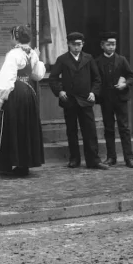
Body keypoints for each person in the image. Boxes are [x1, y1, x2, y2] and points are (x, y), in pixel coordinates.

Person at [47, 32, 108, 170]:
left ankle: (93, 160)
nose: (76, 47)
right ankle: (74, 159)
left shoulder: (88, 58)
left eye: (79, 44)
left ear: (83, 45)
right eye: (73, 44)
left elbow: (97, 79)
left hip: (86, 100)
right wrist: (60, 91)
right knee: (71, 130)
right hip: (69, 100)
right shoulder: (62, 59)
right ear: (68, 44)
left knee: (90, 131)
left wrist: (93, 92)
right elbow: (53, 78)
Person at [0, 25, 45, 176]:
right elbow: (38, 75)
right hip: (29, 92)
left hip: (15, 93)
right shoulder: (32, 54)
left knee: (11, 126)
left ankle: (7, 164)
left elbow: (8, 76)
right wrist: (38, 57)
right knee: (25, 127)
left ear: (15, 38)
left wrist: (1, 98)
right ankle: (24, 165)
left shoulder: (14, 54)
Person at [93, 33, 133, 168]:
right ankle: (111, 157)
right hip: (106, 99)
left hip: (120, 98)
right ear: (102, 45)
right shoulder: (97, 62)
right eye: (108, 44)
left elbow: (131, 76)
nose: (111, 47)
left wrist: (125, 83)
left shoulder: (122, 60)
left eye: (114, 44)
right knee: (109, 128)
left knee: (124, 128)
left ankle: (129, 158)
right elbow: (96, 80)